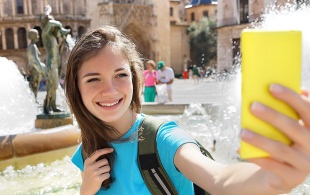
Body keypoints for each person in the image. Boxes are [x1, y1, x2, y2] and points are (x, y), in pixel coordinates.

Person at [64, 25, 310, 195]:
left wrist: (271, 179)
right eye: (93, 79)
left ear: (135, 79)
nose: (109, 90)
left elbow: (219, 180)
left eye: (120, 75)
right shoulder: (88, 149)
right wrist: (86, 190)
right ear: (76, 88)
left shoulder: (161, 138)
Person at [40, 5, 70, 114]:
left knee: (55, 86)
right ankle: (46, 107)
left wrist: (63, 40)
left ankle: (53, 106)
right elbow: (50, 23)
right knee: (51, 86)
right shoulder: (45, 34)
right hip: (51, 63)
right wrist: (62, 28)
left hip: (57, 64)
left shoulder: (53, 38)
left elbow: (59, 50)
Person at [27, 29, 46, 101]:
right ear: (33, 37)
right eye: (37, 35)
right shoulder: (33, 46)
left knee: (34, 85)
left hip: (31, 67)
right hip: (35, 68)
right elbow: (36, 59)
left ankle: (34, 100)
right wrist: (41, 68)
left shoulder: (30, 46)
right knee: (35, 85)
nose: (38, 37)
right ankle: (34, 100)